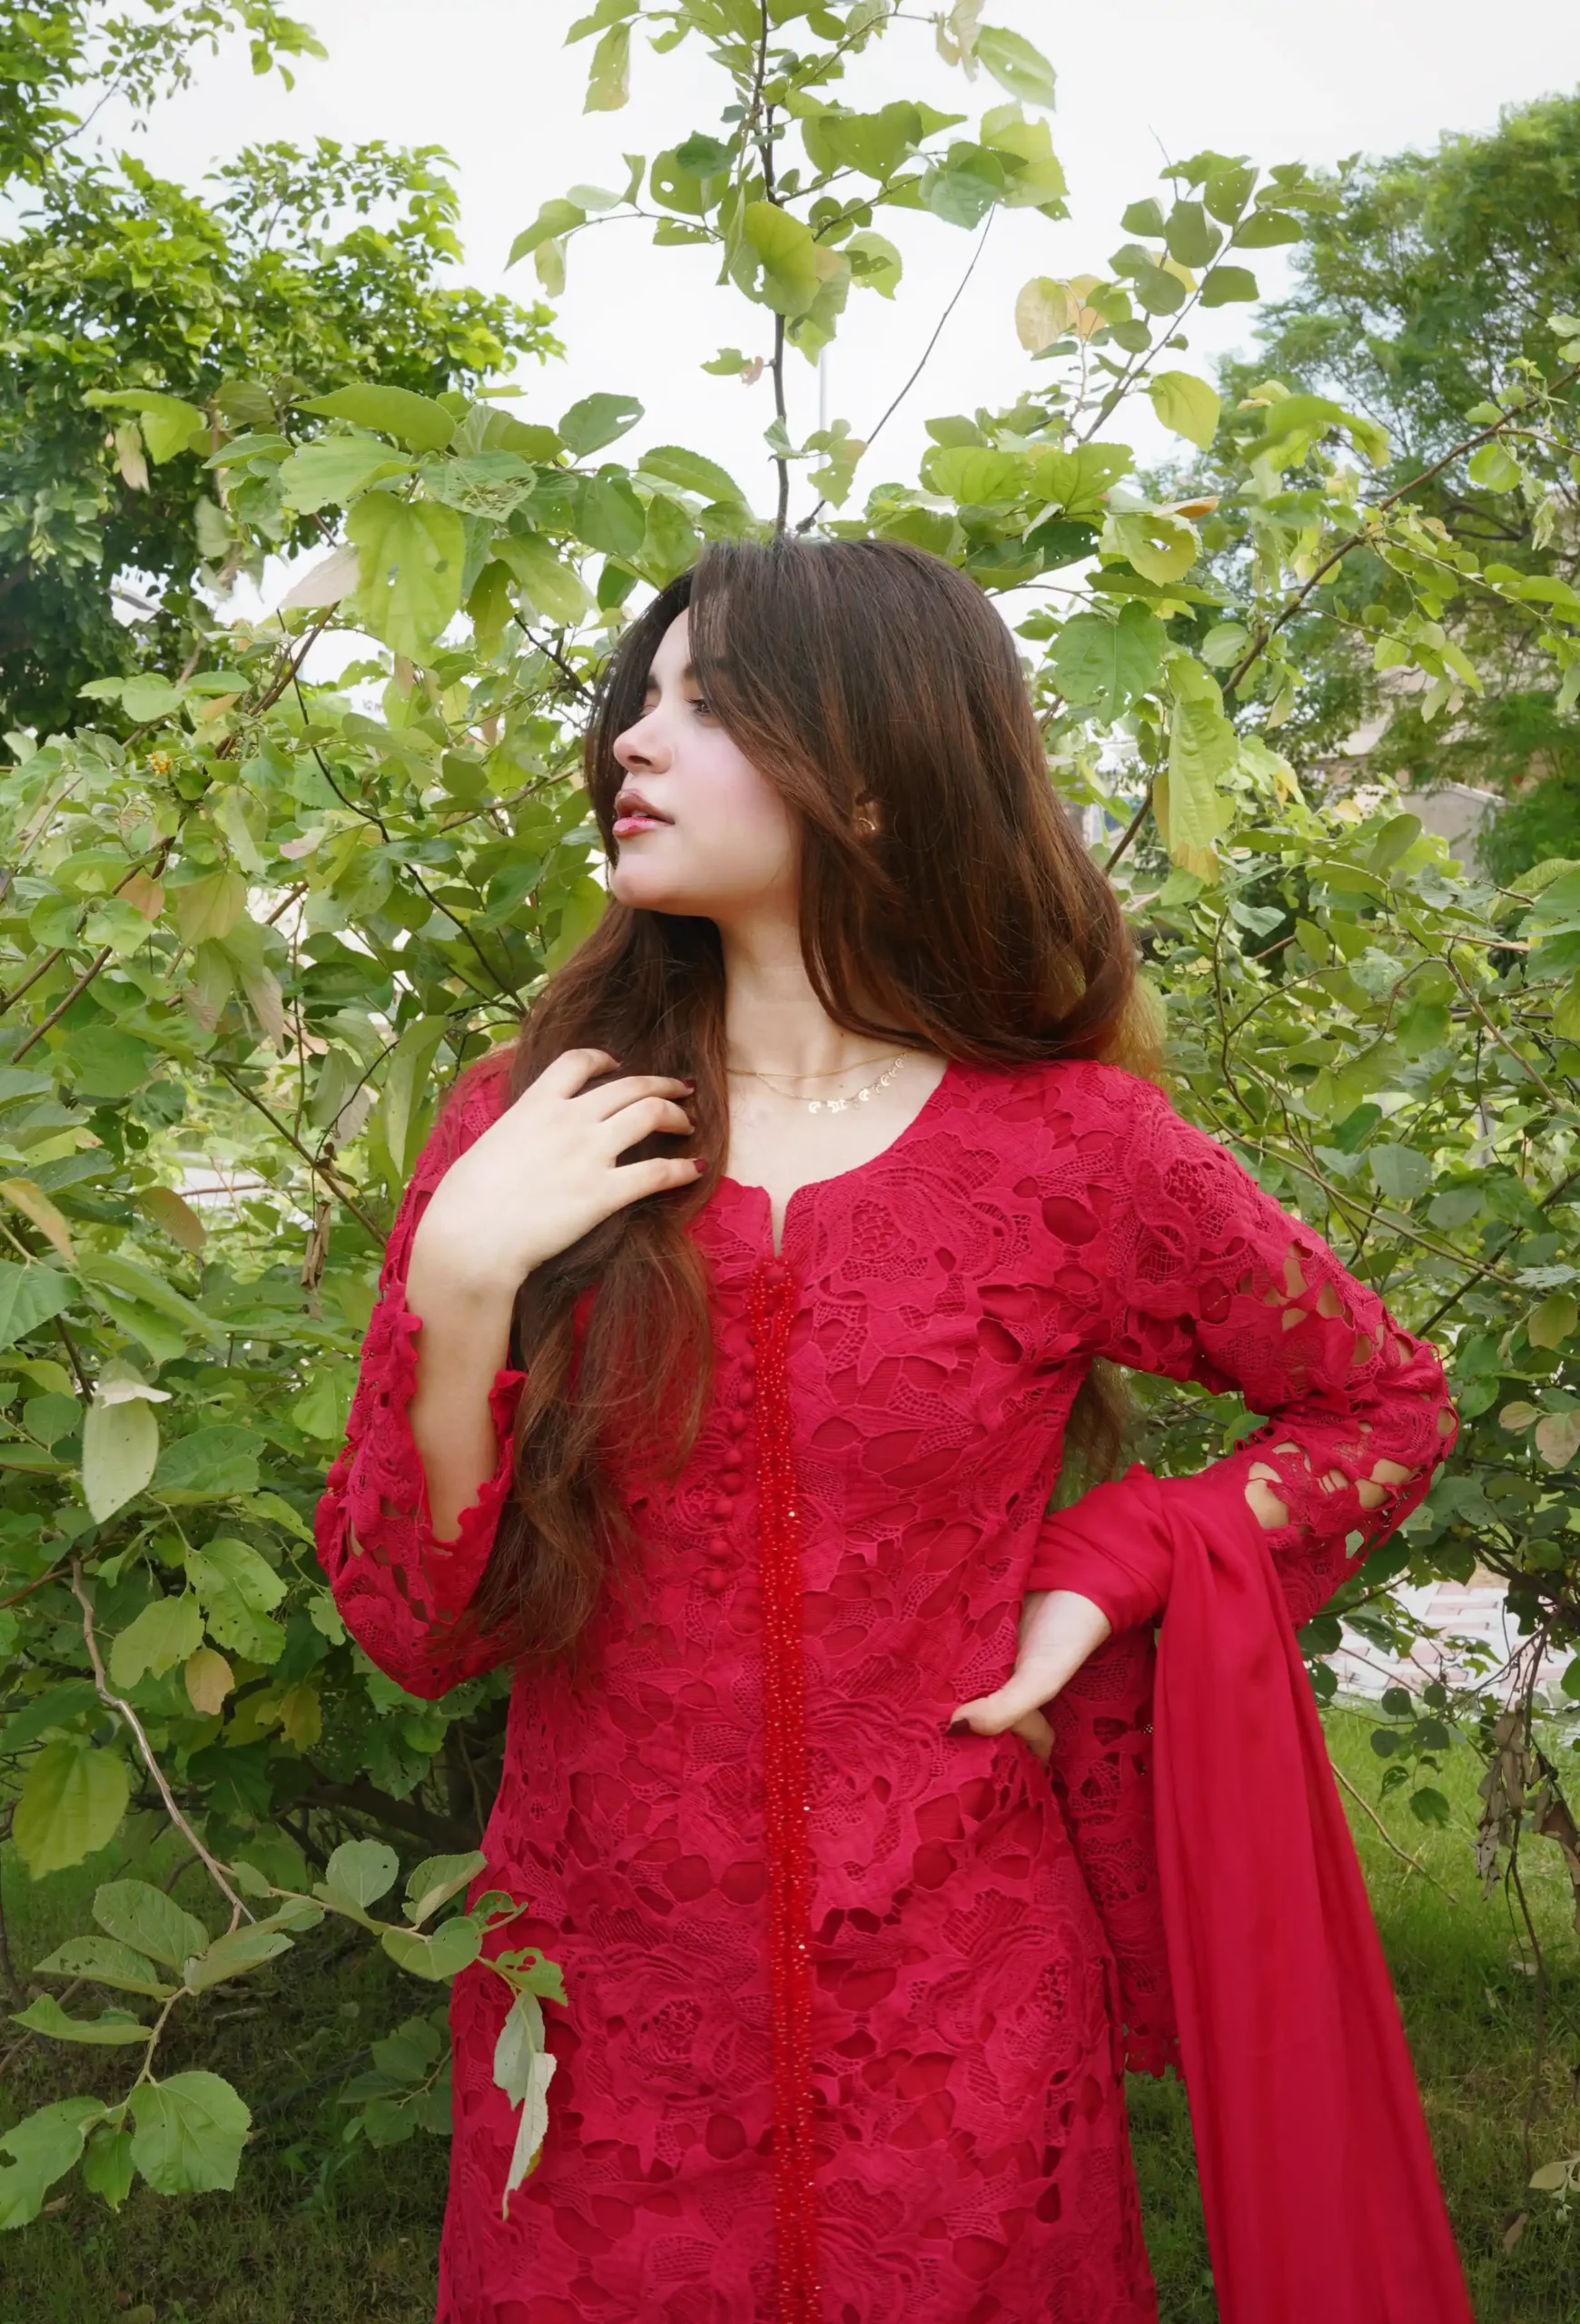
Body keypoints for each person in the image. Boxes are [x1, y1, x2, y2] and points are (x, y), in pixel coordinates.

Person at [315, 537, 1468, 2324]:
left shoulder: (1069, 1150)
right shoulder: (532, 1123)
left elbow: (1382, 1404)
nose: (632, 740)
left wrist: (1110, 1565)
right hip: (599, 2030)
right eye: (641, 698)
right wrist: (464, 1284)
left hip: (967, 2026)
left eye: (707, 705)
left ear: (869, 775)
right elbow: (413, 1625)